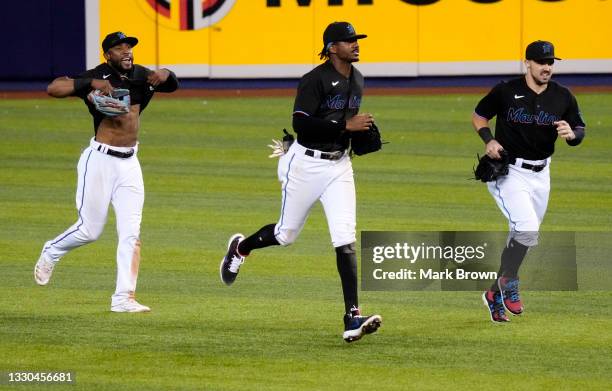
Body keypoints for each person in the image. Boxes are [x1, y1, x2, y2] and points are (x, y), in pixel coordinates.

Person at [220, 21, 382, 342]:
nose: (356, 44)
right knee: (285, 234)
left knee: (345, 238)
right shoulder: (314, 80)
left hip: (339, 167)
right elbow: (302, 124)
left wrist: (359, 135)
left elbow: (345, 125)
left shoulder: (358, 80)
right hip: (304, 164)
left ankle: (352, 317)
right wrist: (345, 128)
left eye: (356, 40)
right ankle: (240, 248)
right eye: (349, 41)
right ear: (332, 48)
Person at [35, 31, 179, 313]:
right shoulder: (97, 75)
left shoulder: (140, 75)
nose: (126, 51)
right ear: (107, 55)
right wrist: (91, 83)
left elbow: (171, 85)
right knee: (90, 231)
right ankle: (52, 250)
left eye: (129, 47)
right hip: (99, 161)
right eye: (119, 48)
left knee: (131, 233)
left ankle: (123, 298)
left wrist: (167, 73)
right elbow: (53, 88)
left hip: (130, 164)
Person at [472, 40, 586, 322]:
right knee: (527, 228)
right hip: (509, 171)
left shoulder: (563, 96)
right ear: (528, 63)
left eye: (551, 62)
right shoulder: (506, 90)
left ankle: (493, 293)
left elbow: (579, 127)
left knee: (522, 235)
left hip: (542, 174)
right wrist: (489, 140)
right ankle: (509, 284)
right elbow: (479, 115)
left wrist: (573, 135)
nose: (547, 67)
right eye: (541, 62)